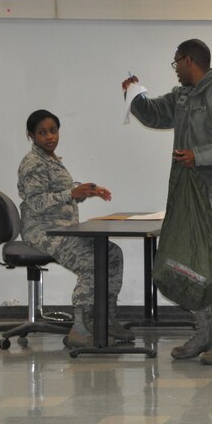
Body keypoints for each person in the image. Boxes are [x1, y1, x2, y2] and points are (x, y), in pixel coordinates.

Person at [123, 39, 212, 365]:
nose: (175, 69)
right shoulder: (182, 96)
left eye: (176, 62)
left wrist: (200, 156)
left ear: (189, 60)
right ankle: (204, 330)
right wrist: (135, 96)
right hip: (191, 198)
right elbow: (154, 115)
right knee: (195, 265)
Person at [18, 109, 132, 348]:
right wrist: (71, 193)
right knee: (91, 261)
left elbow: (58, 194)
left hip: (63, 229)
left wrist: (83, 190)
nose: (50, 137)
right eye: (42, 133)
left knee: (112, 254)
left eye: (53, 131)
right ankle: (80, 329)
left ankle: (106, 320)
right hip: (43, 231)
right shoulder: (33, 163)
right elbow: (35, 203)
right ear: (31, 135)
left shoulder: (51, 160)